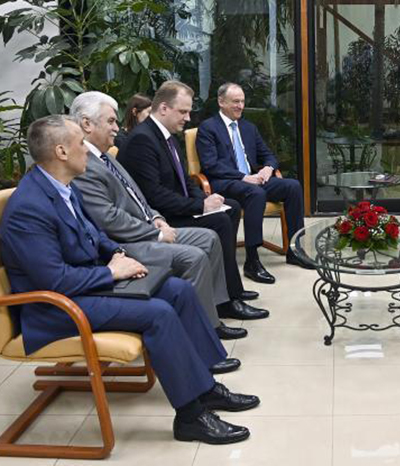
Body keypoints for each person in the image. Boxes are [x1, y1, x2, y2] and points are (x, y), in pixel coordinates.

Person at [1, 115, 260, 444]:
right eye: (81, 143)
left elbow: (95, 235)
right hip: (56, 308)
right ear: (61, 151)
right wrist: (111, 272)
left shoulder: (61, 187)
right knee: (159, 313)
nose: (88, 149)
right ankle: (190, 417)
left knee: (177, 290)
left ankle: (206, 388)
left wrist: (119, 255)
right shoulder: (29, 207)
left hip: (85, 287)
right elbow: (54, 280)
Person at [70, 91, 266, 343]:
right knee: (198, 250)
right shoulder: (86, 162)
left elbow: (138, 196)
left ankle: (219, 307)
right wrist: (157, 230)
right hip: (126, 242)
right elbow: (109, 217)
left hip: (151, 221)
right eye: (110, 122)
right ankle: (202, 333)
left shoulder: (106, 156)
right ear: (87, 124)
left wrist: (155, 217)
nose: (117, 129)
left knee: (210, 237)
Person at [116, 81, 267, 320]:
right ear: (163, 108)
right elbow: (154, 195)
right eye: (183, 111)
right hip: (159, 219)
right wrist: (200, 206)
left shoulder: (167, 137)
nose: (188, 118)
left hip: (173, 206)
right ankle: (226, 301)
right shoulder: (142, 140)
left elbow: (186, 180)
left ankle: (230, 289)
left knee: (230, 208)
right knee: (220, 222)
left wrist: (206, 199)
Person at [195, 82, 311, 284]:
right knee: (255, 193)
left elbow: (268, 155)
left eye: (242, 101)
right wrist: (243, 177)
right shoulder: (208, 128)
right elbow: (210, 165)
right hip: (225, 182)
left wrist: (267, 168)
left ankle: (295, 250)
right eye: (235, 102)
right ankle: (252, 259)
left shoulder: (248, 128)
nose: (240, 106)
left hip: (252, 180)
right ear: (221, 102)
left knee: (292, 186)